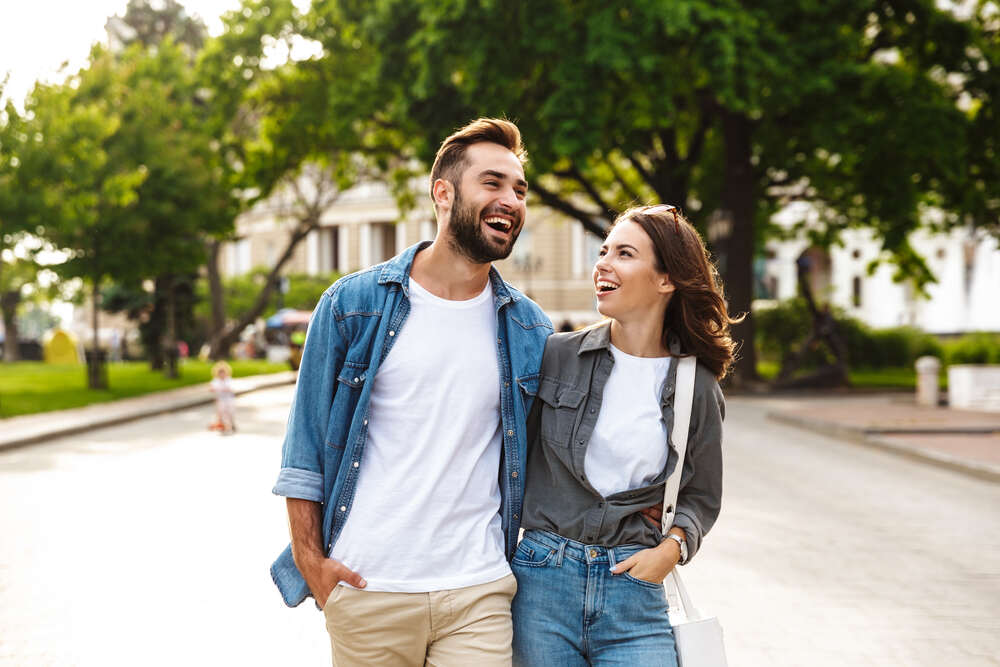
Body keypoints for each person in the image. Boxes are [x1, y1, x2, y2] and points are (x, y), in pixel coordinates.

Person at [270, 118, 553, 666]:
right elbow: (303, 448)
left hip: (479, 589)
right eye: (492, 183)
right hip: (370, 586)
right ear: (443, 193)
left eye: (519, 190)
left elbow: (555, 451)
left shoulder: (528, 327)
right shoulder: (352, 305)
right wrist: (313, 563)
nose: (511, 200)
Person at [511, 205, 739, 666]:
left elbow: (702, 496)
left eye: (625, 254)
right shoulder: (555, 356)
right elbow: (506, 455)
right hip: (543, 583)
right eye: (603, 251)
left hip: (633, 590)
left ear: (665, 279)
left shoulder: (697, 387)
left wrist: (671, 550)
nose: (603, 264)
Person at [209, 361, 236, 434]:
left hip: (229, 399)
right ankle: (225, 426)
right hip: (221, 400)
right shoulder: (216, 381)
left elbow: (231, 388)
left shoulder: (228, 380)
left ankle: (232, 423)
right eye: (220, 373)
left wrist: (225, 389)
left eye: (223, 372)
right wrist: (214, 389)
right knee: (222, 413)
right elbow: (211, 388)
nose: (222, 374)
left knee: (230, 412)